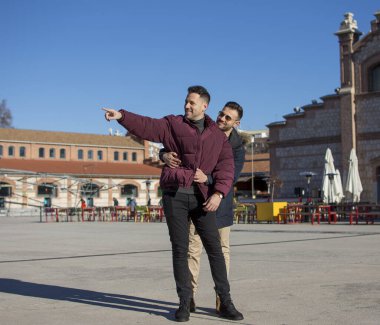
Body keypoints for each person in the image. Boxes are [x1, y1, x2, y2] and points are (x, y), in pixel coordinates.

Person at [102, 86, 243, 322]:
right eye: (186, 101)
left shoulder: (218, 137)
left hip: (203, 198)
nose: (187, 106)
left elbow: (227, 168)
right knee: (180, 250)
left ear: (204, 106)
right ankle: (185, 303)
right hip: (175, 195)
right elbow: (148, 126)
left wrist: (217, 192)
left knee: (215, 251)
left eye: (192, 103)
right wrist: (122, 117)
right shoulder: (173, 124)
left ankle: (226, 302)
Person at [161, 102, 245, 313]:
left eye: (228, 118)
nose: (222, 119)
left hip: (220, 203)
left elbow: (230, 176)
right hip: (197, 202)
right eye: (221, 114)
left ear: (236, 123)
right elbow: (176, 144)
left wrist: (207, 179)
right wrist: (163, 155)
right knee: (192, 250)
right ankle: (189, 298)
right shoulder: (203, 131)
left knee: (220, 251)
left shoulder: (237, 147)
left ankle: (222, 299)